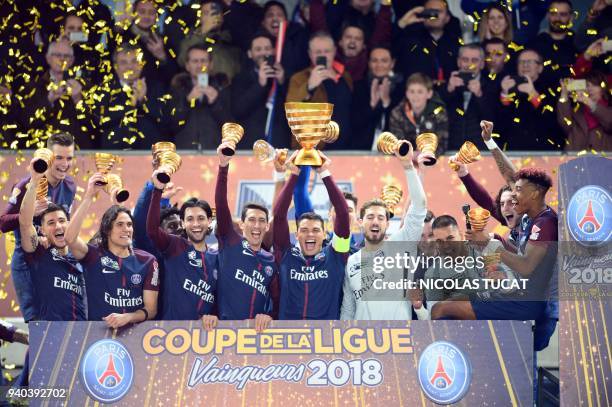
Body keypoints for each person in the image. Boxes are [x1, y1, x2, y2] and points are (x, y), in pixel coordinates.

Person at [431, 168, 558, 331]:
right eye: (503, 202)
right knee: (454, 302)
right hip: (518, 297)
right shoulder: (530, 220)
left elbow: (526, 267)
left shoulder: (545, 223)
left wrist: (488, 244)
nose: (513, 196)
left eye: (517, 191)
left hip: (525, 303)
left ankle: (444, 351)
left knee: (440, 309)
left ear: (534, 194)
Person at [341, 141, 429, 320]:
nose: (375, 222)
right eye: (370, 217)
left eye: (381, 218)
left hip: (398, 342)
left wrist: (407, 166)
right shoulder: (352, 261)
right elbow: (348, 310)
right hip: (362, 343)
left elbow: (419, 206)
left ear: (388, 224)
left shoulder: (401, 246)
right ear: (360, 222)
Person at [65, 173, 159, 328]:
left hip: (136, 339)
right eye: (120, 224)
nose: (126, 229)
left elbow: (151, 310)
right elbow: (70, 238)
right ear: (108, 230)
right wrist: (89, 196)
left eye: (129, 225)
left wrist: (128, 317)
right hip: (97, 338)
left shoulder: (148, 261)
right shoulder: (93, 255)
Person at [0, 133, 77, 322]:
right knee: (39, 327)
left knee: (55, 327)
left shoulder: (70, 186)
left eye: (69, 158)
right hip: (28, 265)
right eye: (58, 157)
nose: (64, 164)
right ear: (48, 156)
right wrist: (28, 214)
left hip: (54, 264)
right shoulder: (27, 185)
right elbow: (3, 222)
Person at [273, 152, 350, 319]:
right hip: (288, 339)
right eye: (304, 230)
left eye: (316, 230)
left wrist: (324, 172)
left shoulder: (337, 254)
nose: (310, 234)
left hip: (327, 339)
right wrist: (293, 174)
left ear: (324, 234)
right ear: (296, 234)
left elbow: (343, 214)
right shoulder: (285, 254)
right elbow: (279, 216)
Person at [214, 142, 278, 332]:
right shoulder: (230, 242)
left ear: (267, 226)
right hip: (222, 332)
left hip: (255, 337)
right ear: (241, 224)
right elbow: (221, 202)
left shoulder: (271, 261)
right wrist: (223, 167)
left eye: (261, 221)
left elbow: (278, 301)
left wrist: (269, 315)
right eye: (251, 220)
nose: (256, 226)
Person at [18, 159, 85, 321]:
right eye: (51, 223)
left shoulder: (81, 256)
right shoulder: (39, 253)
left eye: (62, 221)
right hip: (48, 338)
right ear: (41, 230)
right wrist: (34, 180)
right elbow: (25, 223)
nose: (58, 226)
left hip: (82, 336)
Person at [147, 170, 218, 322]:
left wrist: (214, 316)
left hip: (205, 336)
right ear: (183, 223)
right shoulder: (175, 246)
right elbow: (152, 230)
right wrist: (157, 190)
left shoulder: (217, 257)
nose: (196, 224)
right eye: (190, 219)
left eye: (201, 218)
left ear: (209, 221)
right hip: (171, 334)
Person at [18, 40, 94, 149]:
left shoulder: (85, 86)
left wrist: (78, 99)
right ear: (48, 58)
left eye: (66, 56)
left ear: (72, 60)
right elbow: (25, 121)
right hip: (43, 149)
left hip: (77, 149)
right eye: (57, 55)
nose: (62, 59)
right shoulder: (32, 86)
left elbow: (95, 125)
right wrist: (49, 100)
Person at [286, 31, 353, 149]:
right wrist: (309, 87)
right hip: (314, 149)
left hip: (345, 148)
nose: (323, 56)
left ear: (334, 52)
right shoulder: (299, 78)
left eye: (327, 51)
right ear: (310, 54)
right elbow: (291, 110)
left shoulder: (345, 76)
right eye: (318, 52)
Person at [96, 45, 167, 149]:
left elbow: (166, 123)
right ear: (115, 67)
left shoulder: (157, 88)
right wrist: (131, 104)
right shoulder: (104, 90)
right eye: (124, 63)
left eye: (134, 61)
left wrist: (143, 101)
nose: (130, 67)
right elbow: (101, 121)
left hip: (149, 156)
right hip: (115, 156)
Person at [230, 32, 290, 149]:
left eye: (267, 48)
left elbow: (292, 109)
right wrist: (260, 84)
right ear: (249, 54)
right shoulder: (240, 78)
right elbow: (237, 111)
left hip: (279, 145)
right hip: (251, 145)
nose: (263, 53)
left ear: (273, 51)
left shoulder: (285, 76)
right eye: (258, 49)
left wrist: (282, 82)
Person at [168, 44, 232, 150]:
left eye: (203, 61)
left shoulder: (223, 87)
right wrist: (187, 101)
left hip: (216, 153)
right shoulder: (177, 89)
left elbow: (231, 126)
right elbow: (171, 126)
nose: (199, 65)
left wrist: (216, 103)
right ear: (187, 65)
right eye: (195, 61)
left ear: (211, 65)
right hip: (185, 153)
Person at [498, 49, 562, 150]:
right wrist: (505, 94)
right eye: (521, 62)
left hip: (543, 152)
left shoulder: (551, 88)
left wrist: (533, 95)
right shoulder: (509, 86)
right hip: (513, 151)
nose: (525, 65)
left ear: (540, 68)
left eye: (530, 62)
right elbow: (500, 122)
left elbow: (552, 121)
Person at [439, 44, 496, 150]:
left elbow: (494, 120)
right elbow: (434, 114)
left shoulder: (491, 87)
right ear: (458, 62)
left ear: (482, 64)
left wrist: (479, 95)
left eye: (474, 60)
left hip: (480, 153)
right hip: (450, 151)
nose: (469, 64)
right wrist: (449, 90)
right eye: (465, 59)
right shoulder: (445, 87)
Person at [110, 0, 178, 85]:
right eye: (142, 12)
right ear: (134, 14)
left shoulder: (163, 40)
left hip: (154, 93)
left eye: (151, 12)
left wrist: (162, 56)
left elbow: (172, 77)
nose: (146, 16)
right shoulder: (120, 36)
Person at [395, 0, 461, 84]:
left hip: (448, 94)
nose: (433, 15)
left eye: (438, 11)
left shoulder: (455, 43)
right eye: (429, 11)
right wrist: (404, 22)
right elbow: (392, 47)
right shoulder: (410, 40)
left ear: (447, 18)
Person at [351, 46, 404, 150]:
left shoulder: (401, 88)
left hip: (393, 150)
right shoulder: (359, 87)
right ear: (369, 63)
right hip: (362, 150)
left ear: (392, 63)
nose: (379, 65)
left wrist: (386, 104)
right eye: (374, 60)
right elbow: (354, 124)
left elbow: (402, 125)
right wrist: (372, 106)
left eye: (384, 61)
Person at [178, 0, 242, 81]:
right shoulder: (190, 38)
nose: (212, 17)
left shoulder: (232, 40)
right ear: (200, 18)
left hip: (227, 90)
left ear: (222, 17)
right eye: (207, 13)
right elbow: (182, 61)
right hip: (199, 89)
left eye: (216, 13)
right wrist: (203, 32)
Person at [389, 72, 448, 155]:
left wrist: (427, 153)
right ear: (407, 93)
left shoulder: (439, 113)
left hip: (430, 161)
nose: (415, 96)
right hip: (404, 161)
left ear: (429, 94)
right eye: (412, 91)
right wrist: (410, 155)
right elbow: (396, 142)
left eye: (420, 92)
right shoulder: (397, 113)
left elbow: (442, 143)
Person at [558, 71, 611, 151]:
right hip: (576, 160)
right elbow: (565, 124)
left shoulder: (609, 109)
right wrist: (564, 94)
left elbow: (609, 122)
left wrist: (589, 102)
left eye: (595, 85)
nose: (590, 89)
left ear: (603, 89)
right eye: (587, 85)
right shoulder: (577, 111)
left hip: (602, 161)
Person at [529, 0, 577, 84]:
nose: (557, 19)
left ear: (571, 17)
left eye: (563, 14)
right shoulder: (534, 44)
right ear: (548, 16)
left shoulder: (578, 43)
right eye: (554, 14)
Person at [260, 1, 310, 80]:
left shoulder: (299, 38)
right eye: (270, 15)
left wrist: (284, 77)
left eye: (279, 15)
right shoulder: (257, 43)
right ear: (263, 23)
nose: (275, 19)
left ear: (287, 22)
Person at [309, 0, 392, 45]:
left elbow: (380, 39)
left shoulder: (382, 16)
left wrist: (387, 3)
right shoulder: (336, 8)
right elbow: (319, 27)